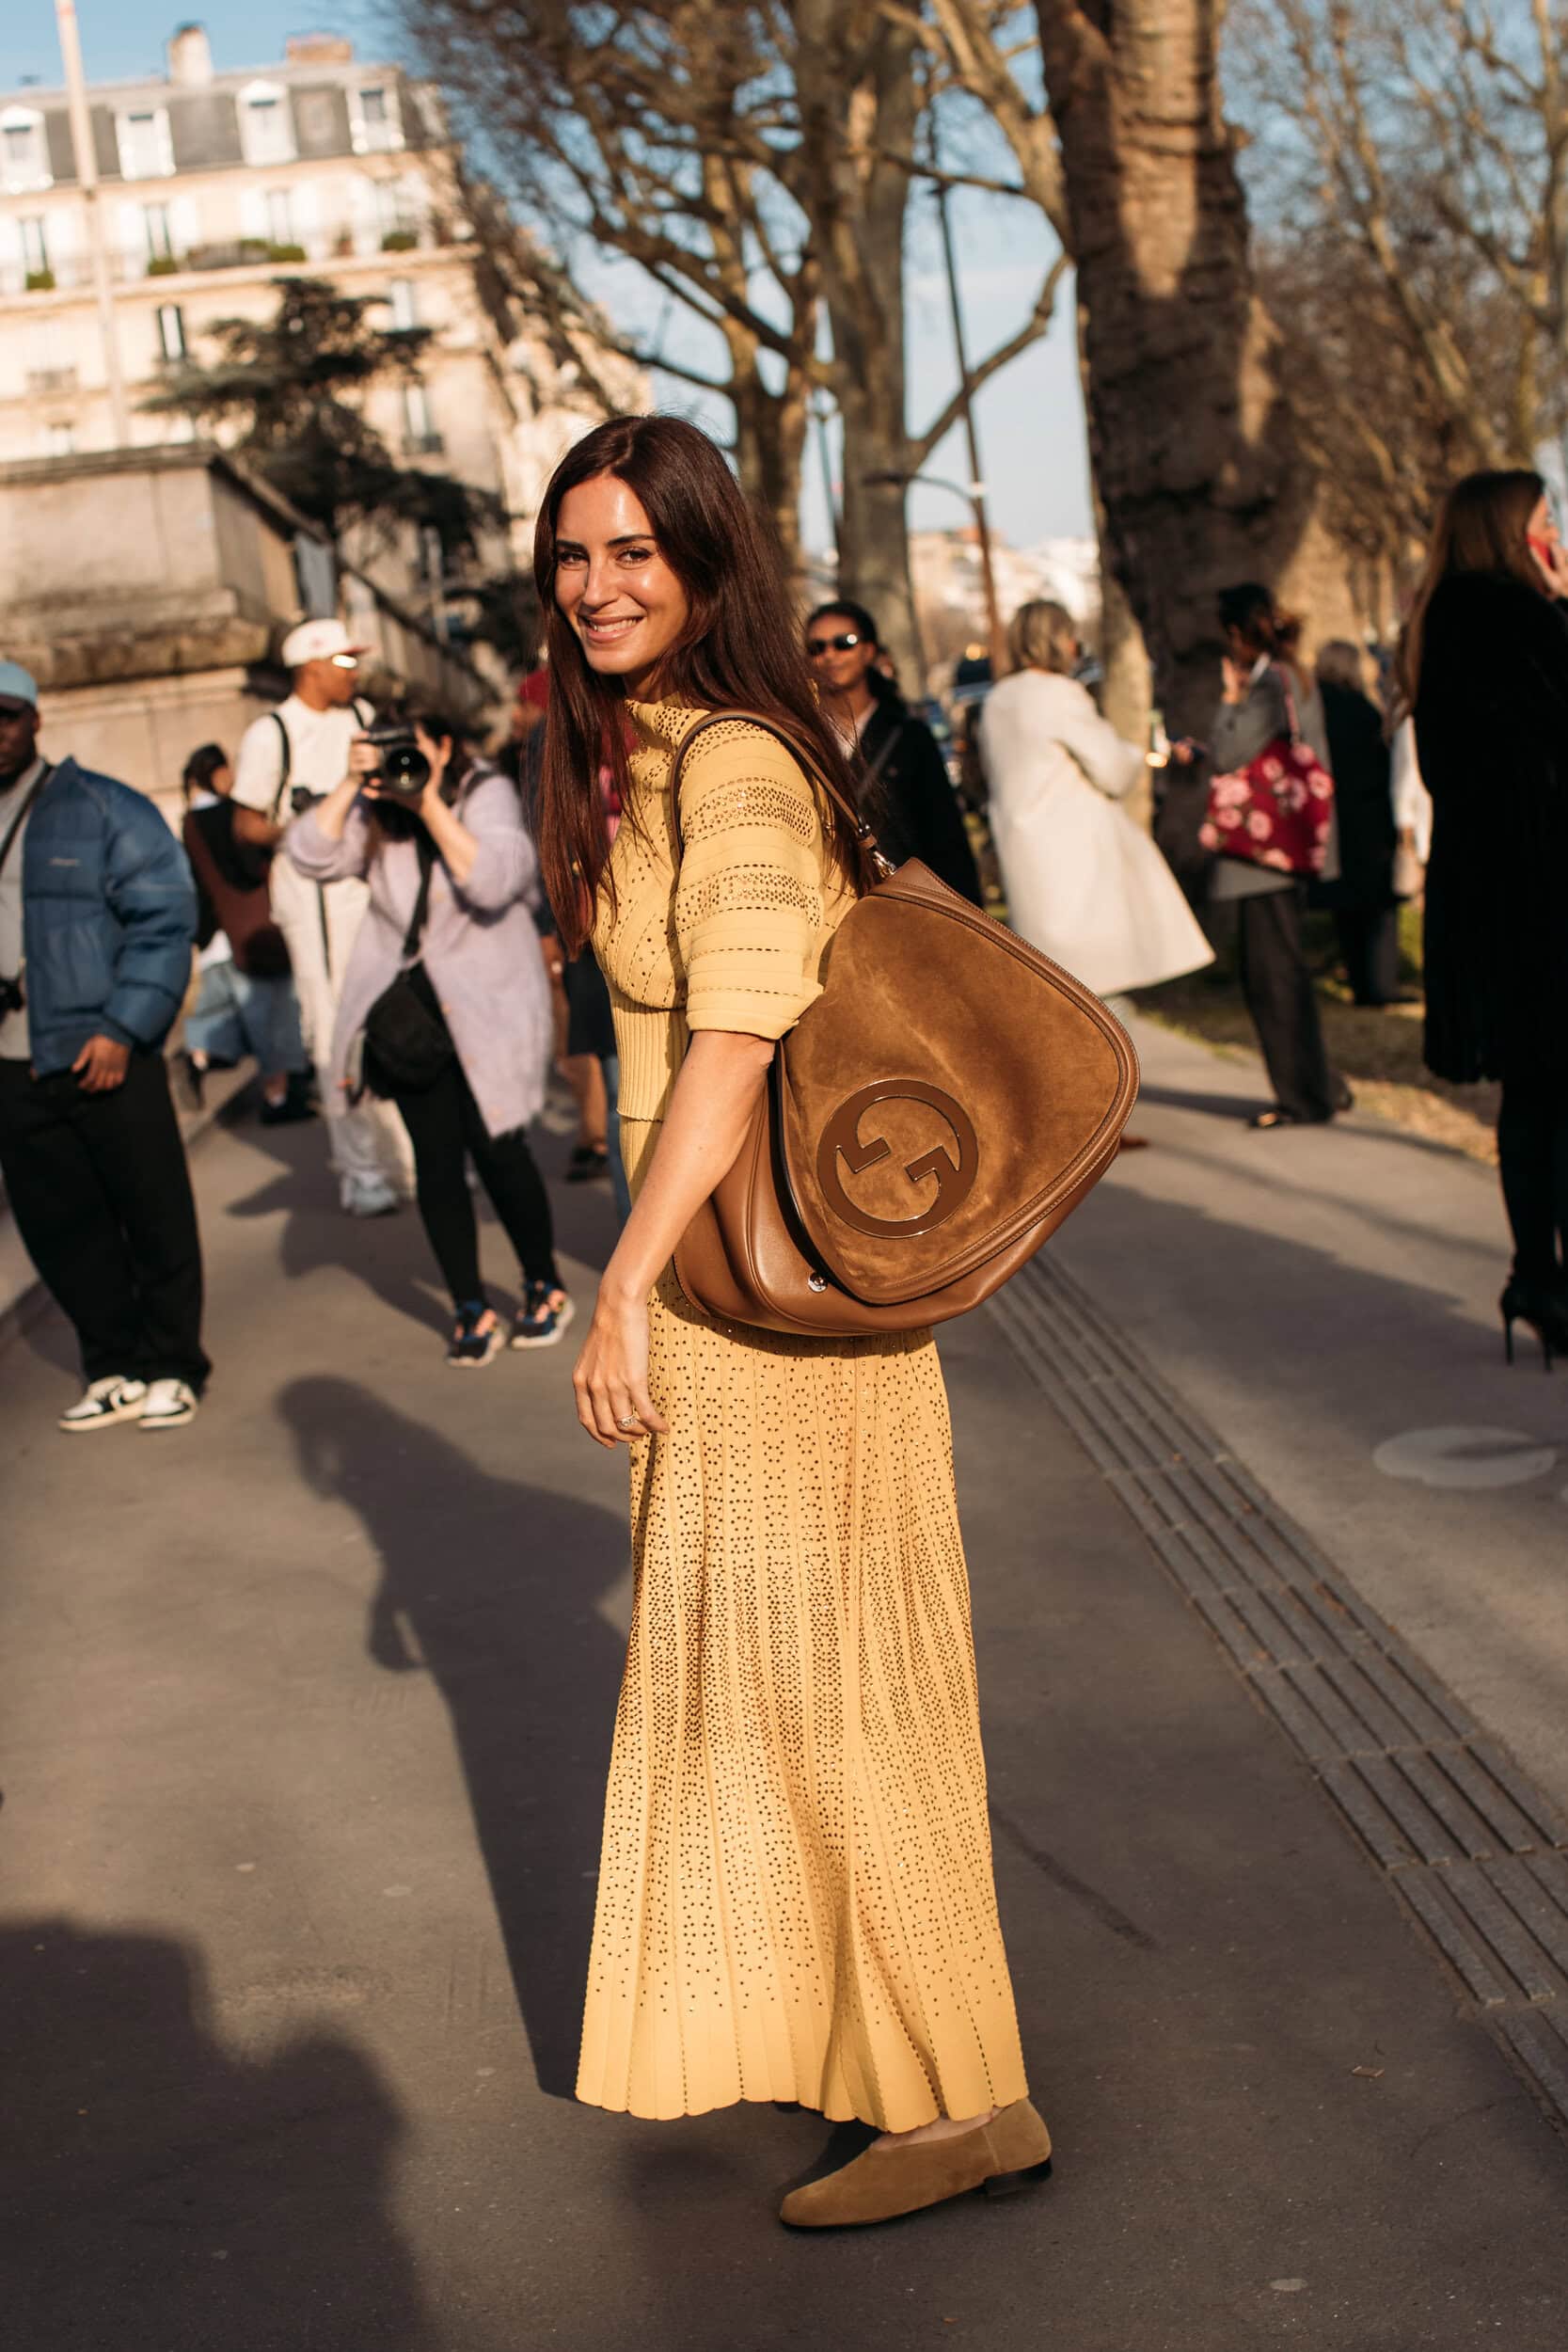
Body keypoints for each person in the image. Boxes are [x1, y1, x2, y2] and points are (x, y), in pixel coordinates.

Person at [537, 415, 1045, 2228]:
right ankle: (961, 2092)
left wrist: (619, 1285)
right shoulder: (664, 752)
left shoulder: (732, 766)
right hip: (753, 1307)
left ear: (703, 568)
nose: (598, 586)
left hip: (757, 1322)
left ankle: (941, 2106)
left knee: (831, 1705)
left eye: (634, 556)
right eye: (575, 554)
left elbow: (741, 1028)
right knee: (830, 1698)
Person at [286, 703, 570, 1365]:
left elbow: (497, 879)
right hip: (412, 1022)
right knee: (437, 1165)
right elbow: (309, 856)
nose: (402, 764)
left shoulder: (483, 793)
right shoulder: (374, 811)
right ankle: (469, 1305)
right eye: (389, 751)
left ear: (446, 747)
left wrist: (429, 802)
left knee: (501, 1152)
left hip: (487, 1010)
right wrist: (355, 782)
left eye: (412, 749)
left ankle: (543, 1285)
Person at [0, 660, 208, 1432]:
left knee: (152, 1211)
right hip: (13, 1062)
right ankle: (112, 1364)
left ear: (34, 720)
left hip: (104, 1048)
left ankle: (174, 1365)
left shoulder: (101, 805)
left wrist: (123, 1027)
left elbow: (165, 918)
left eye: (6, 715)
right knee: (59, 1224)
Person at [1402, 468, 1568, 1362]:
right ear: (1510, 532)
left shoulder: (1441, 621)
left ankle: (1533, 1279)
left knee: (1531, 1093)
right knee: (1557, 1092)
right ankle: (1547, 1286)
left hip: (1492, 896)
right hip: (1544, 893)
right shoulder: (1520, 616)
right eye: (1546, 520)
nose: (1556, 534)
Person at [230, 619, 412, 1217]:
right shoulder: (273, 732)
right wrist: (307, 828)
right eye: (343, 662)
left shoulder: (362, 717)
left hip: (368, 886)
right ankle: (361, 1172)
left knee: (389, 1019)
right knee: (335, 1031)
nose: (354, 671)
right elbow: (246, 824)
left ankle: (410, 1162)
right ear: (311, 668)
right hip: (313, 899)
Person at [976, 598, 1213, 998]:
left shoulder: (997, 701)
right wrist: (1139, 753)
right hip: (1077, 862)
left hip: (1027, 864)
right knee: (1103, 1002)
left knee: (1059, 997)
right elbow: (1113, 770)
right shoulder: (1058, 694)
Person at [1210, 584, 1350, 1130]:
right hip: (1280, 846)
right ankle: (1320, 1086)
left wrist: (1228, 699)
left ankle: (1303, 1097)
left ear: (1238, 633)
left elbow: (1228, 752)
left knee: (1273, 979)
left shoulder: (1270, 682)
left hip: (1263, 855)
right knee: (1284, 973)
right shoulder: (1293, 675)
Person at [805, 599, 984, 903]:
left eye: (843, 643)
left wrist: (966, 914)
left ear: (869, 651)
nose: (830, 655)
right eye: (817, 648)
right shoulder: (806, 737)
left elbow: (945, 836)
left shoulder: (908, 735)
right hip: (828, 903)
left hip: (902, 905)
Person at [179, 742, 312, 1121]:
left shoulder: (190, 822)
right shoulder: (228, 819)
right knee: (271, 1015)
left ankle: (199, 1056)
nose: (234, 778)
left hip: (220, 934)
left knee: (232, 1010)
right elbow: (248, 868)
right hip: (253, 928)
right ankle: (278, 1096)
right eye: (226, 770)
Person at [1312, 644, 1402, 1007]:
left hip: (1334, 821)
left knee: (1346, 909)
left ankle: (1359, 981)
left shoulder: (1316, 710)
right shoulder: (1364, 712)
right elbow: (1381, 767)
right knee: (1377, 910)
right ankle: (1379, 985)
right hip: (1367, 820)